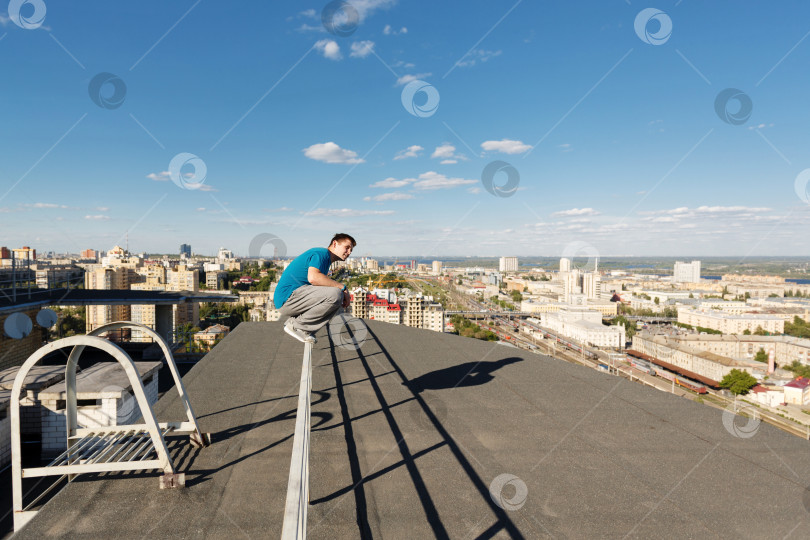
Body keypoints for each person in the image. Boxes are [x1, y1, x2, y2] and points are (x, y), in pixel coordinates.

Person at [273, 233, 356, 343]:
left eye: (351, 250)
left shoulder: (325, 259)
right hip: (288, 298)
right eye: (347, 247)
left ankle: (300, 325)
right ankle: (297, 326)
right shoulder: (322, 254)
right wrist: (343, 287)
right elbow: (313, 278)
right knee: (336, 294)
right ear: (335, 243)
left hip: (290, 300)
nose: (349, 252)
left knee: (335, 296)